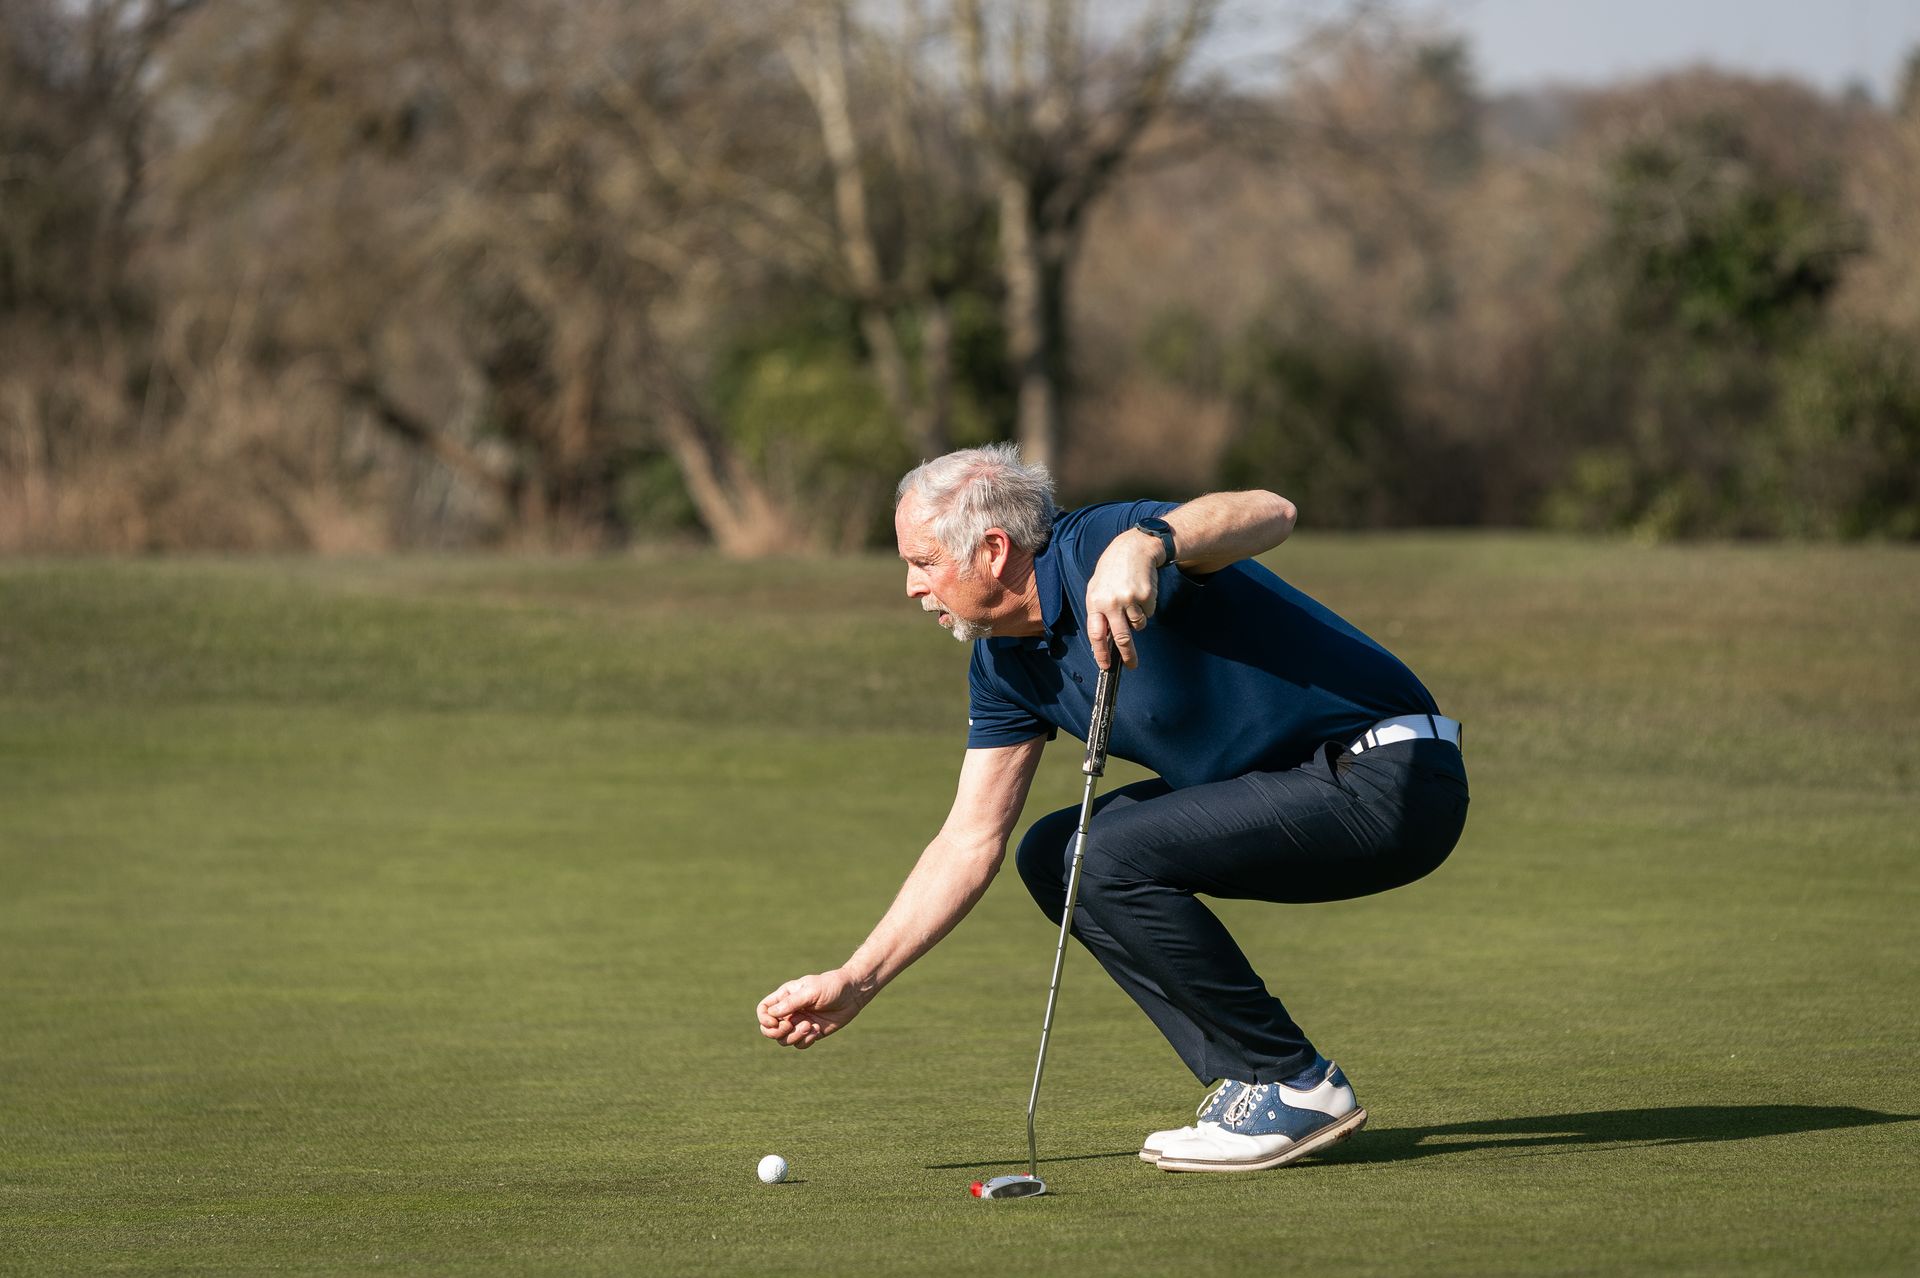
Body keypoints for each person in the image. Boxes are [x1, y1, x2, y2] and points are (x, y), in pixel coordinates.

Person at [756, 443, 1469, 1172]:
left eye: (923, 561)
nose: (912, 586)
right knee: (1052, 854)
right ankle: (1260, 1081)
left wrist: (1148, 543)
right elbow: (968, 840)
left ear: (993, 551)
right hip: (1297, 789)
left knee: (1098, 854)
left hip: (1392, 776)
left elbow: (1271, 511)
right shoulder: (1004, 664)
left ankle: (1293, 1083)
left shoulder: (1101, 542)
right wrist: (858, 979)